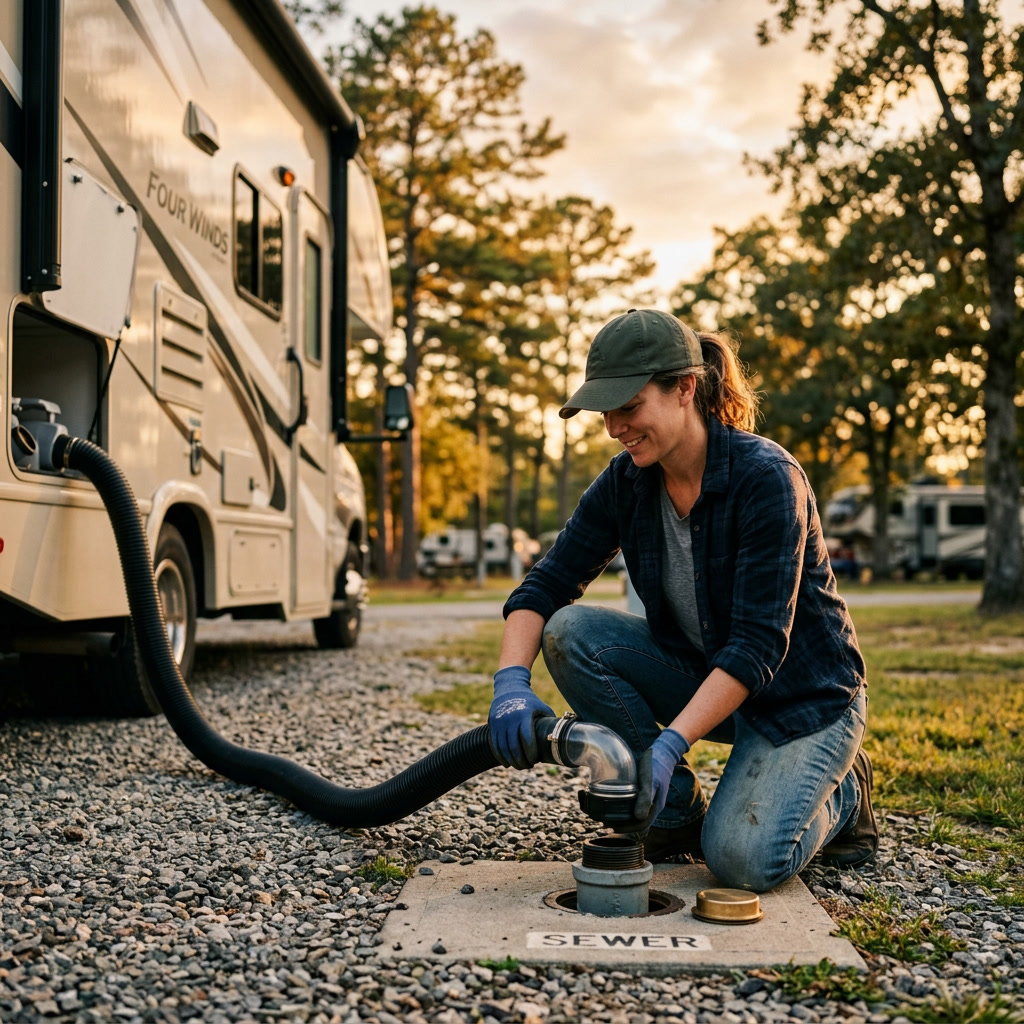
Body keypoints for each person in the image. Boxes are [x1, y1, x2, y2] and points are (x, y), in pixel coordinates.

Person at [487, 308, 877, 893]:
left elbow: (755, 647)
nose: (616, 426)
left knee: (740, 861)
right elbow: (545, 586)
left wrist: (670, 743)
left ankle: (845, 789)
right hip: (708, 679)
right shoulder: (627, 481)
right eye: (607, 412)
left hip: (804, 702)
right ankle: (672, 812)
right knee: (569, 631)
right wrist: (510, 685)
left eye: (629, 407)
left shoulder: (767, 479)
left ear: (685, 388)